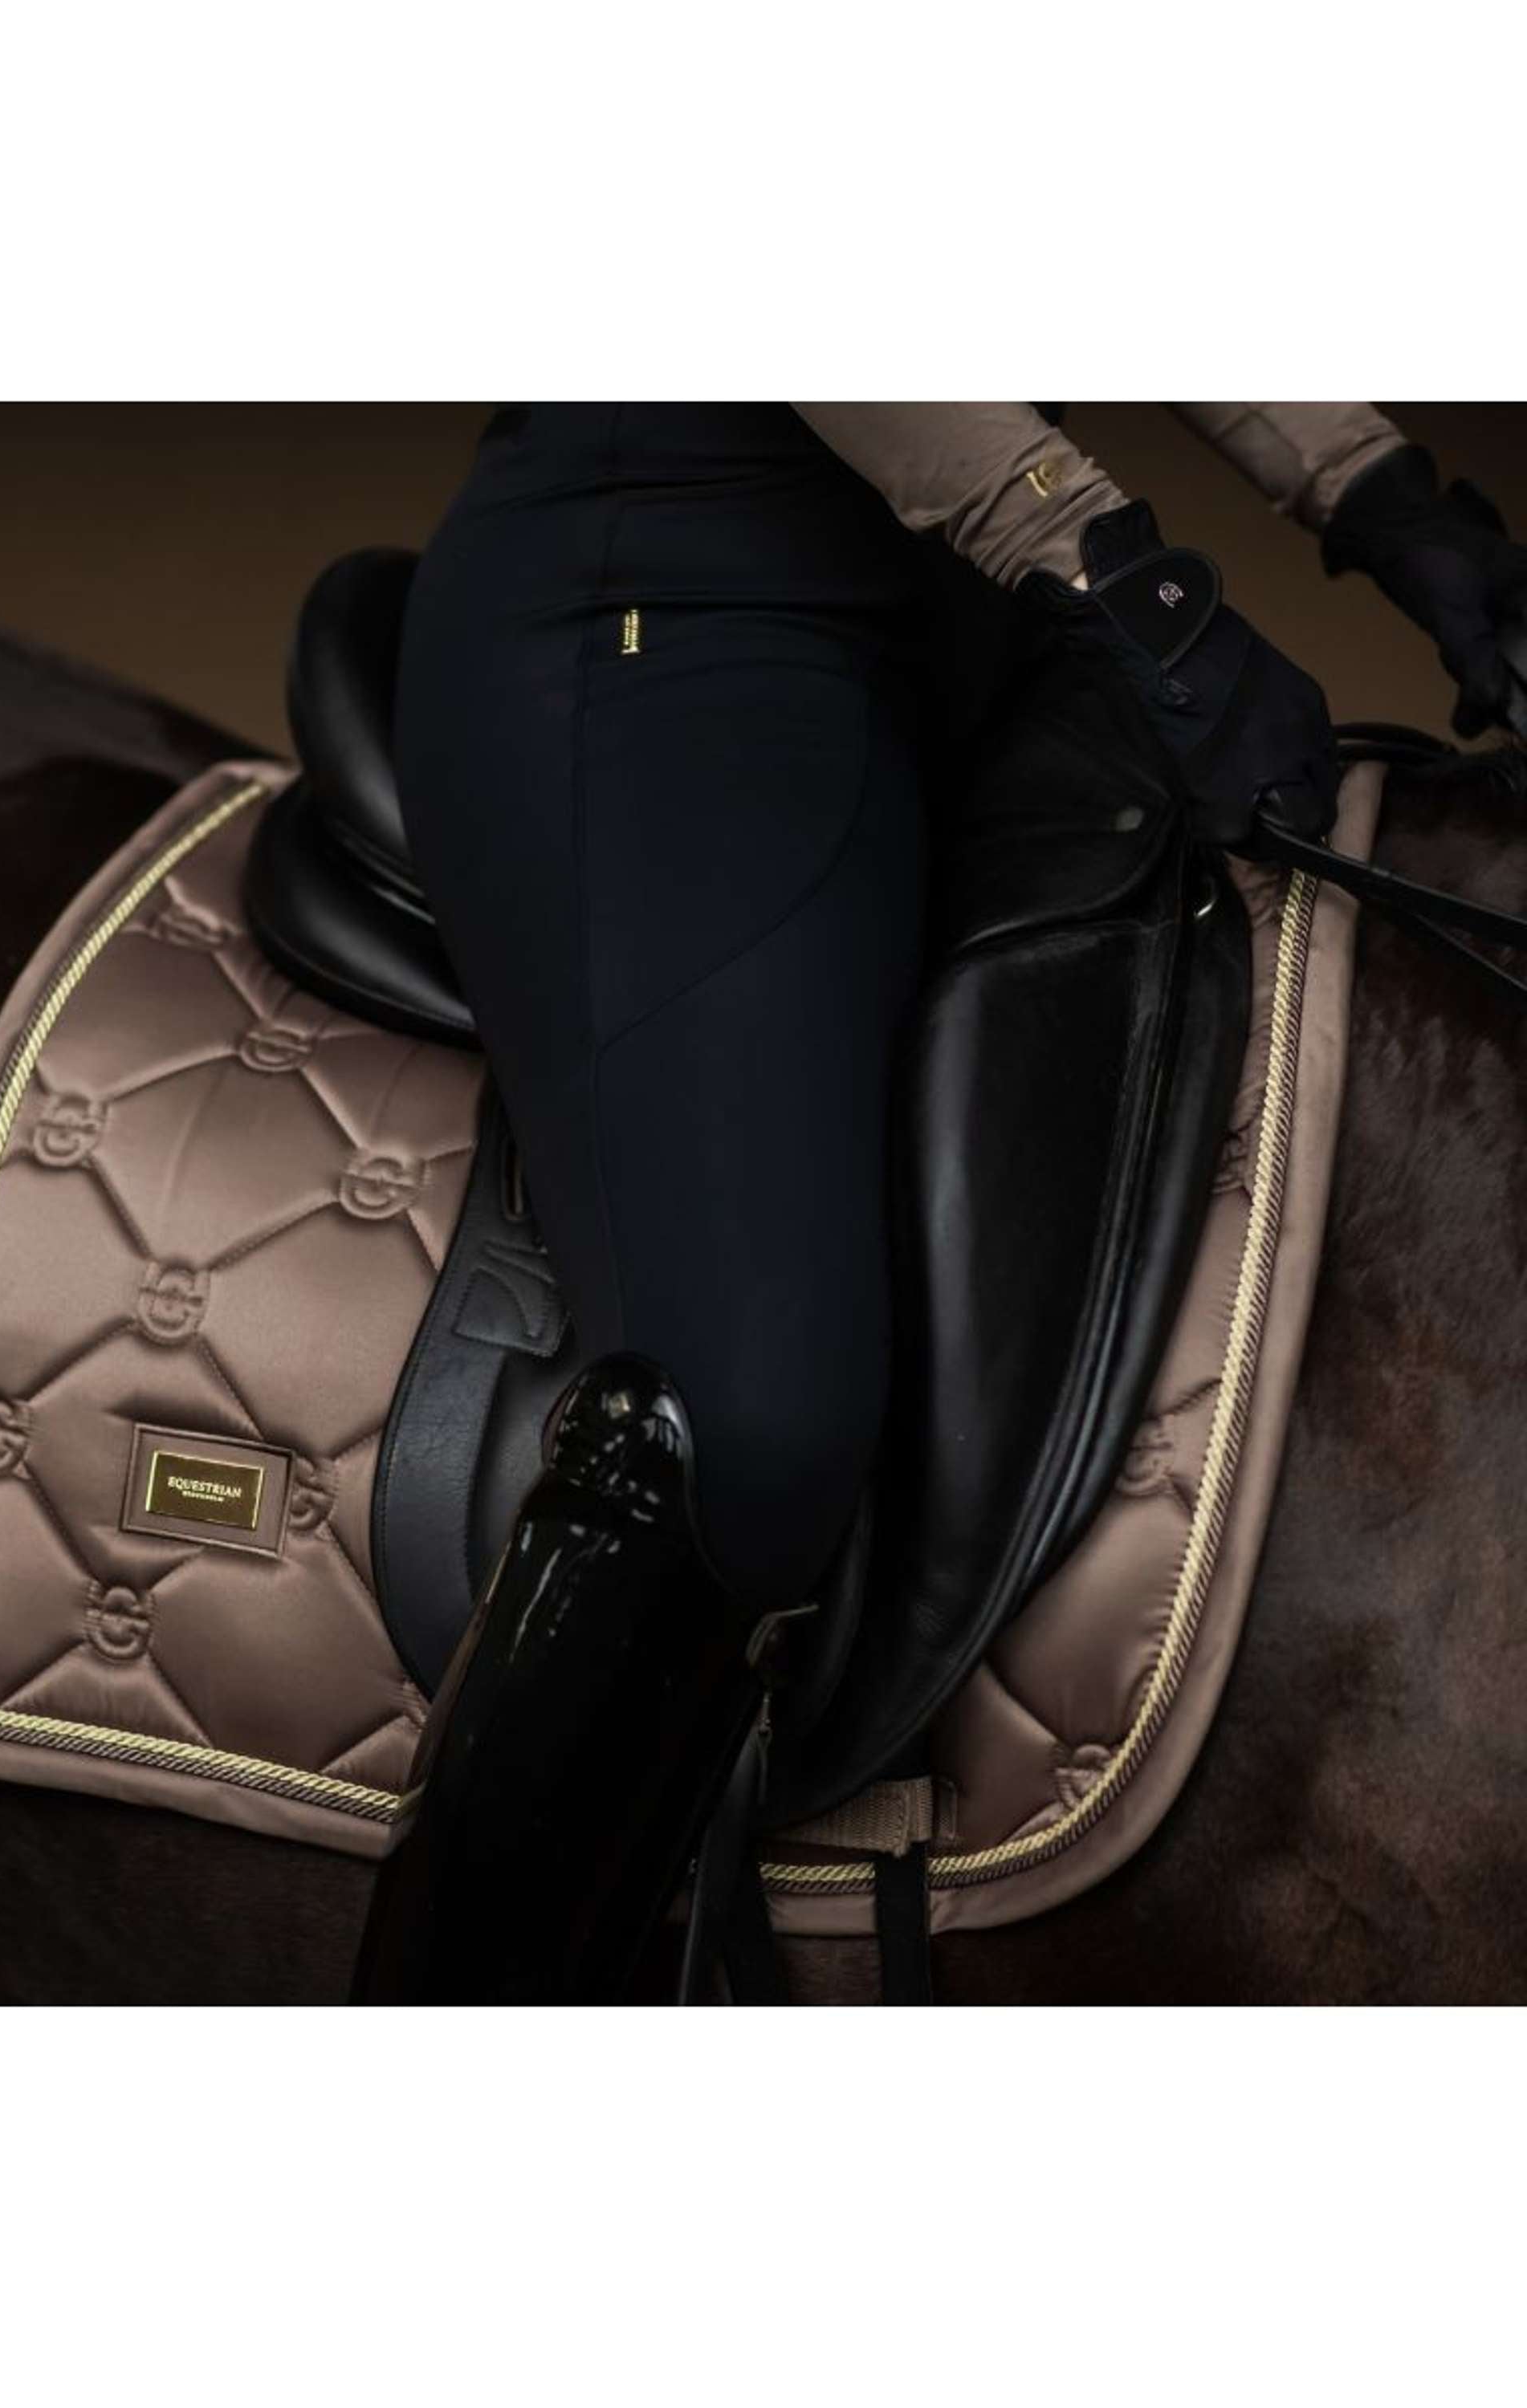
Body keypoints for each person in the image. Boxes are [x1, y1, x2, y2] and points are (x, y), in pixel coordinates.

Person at [359, 403, 1527, 1999]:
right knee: (751, 1426)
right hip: (674, 618)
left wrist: (1377, 490)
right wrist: (1106, 560)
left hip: (965, 623)